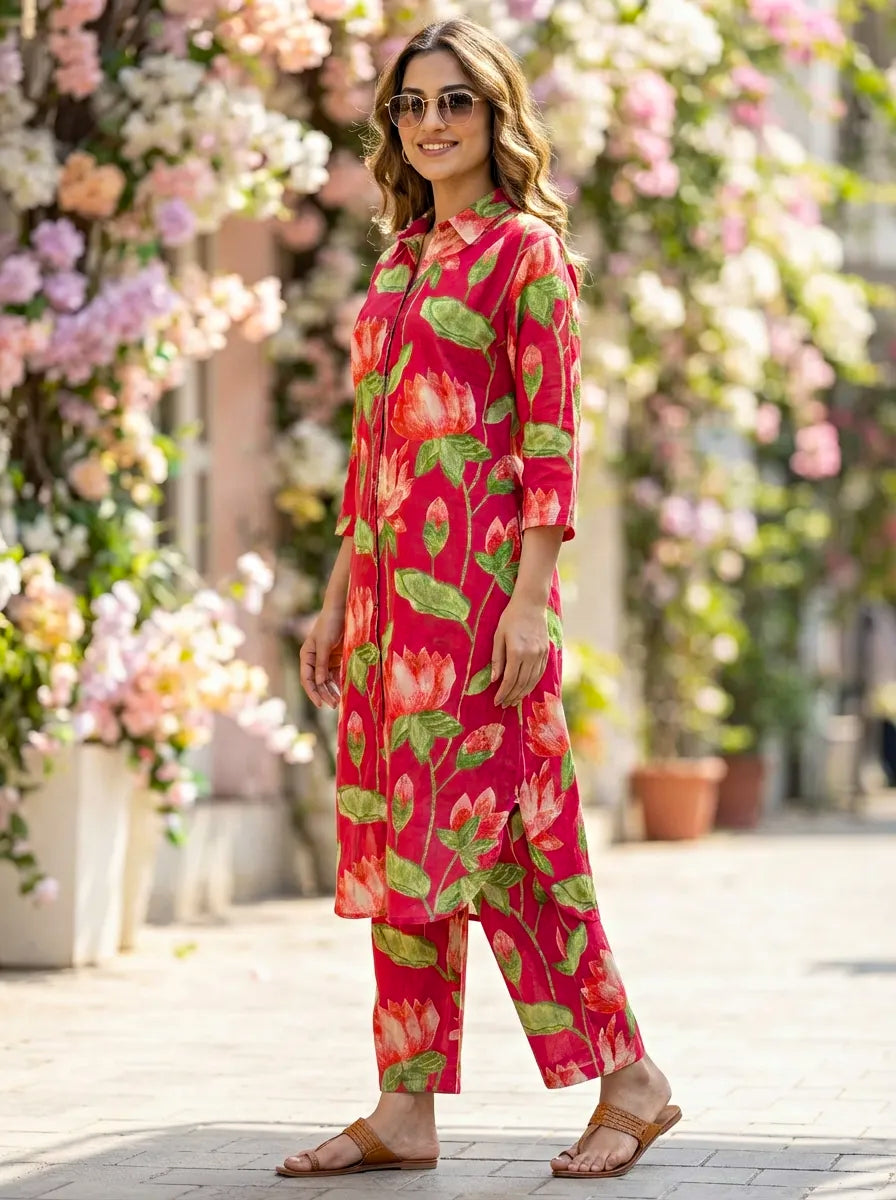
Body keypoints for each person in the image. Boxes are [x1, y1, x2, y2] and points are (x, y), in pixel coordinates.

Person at [282, 16, 678, 1182]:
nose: (432, 122)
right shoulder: (400, 258)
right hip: (389, 615)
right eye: (412, 104)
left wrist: (526, 600)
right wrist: (335, 594)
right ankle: (404, 1108)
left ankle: (631, 1078)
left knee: (515, 842)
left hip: (480, 604)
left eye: (454, 100)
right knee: (410, 850)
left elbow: (549, 441)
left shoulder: (521, 252)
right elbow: (373, 451)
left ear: (495, 115)